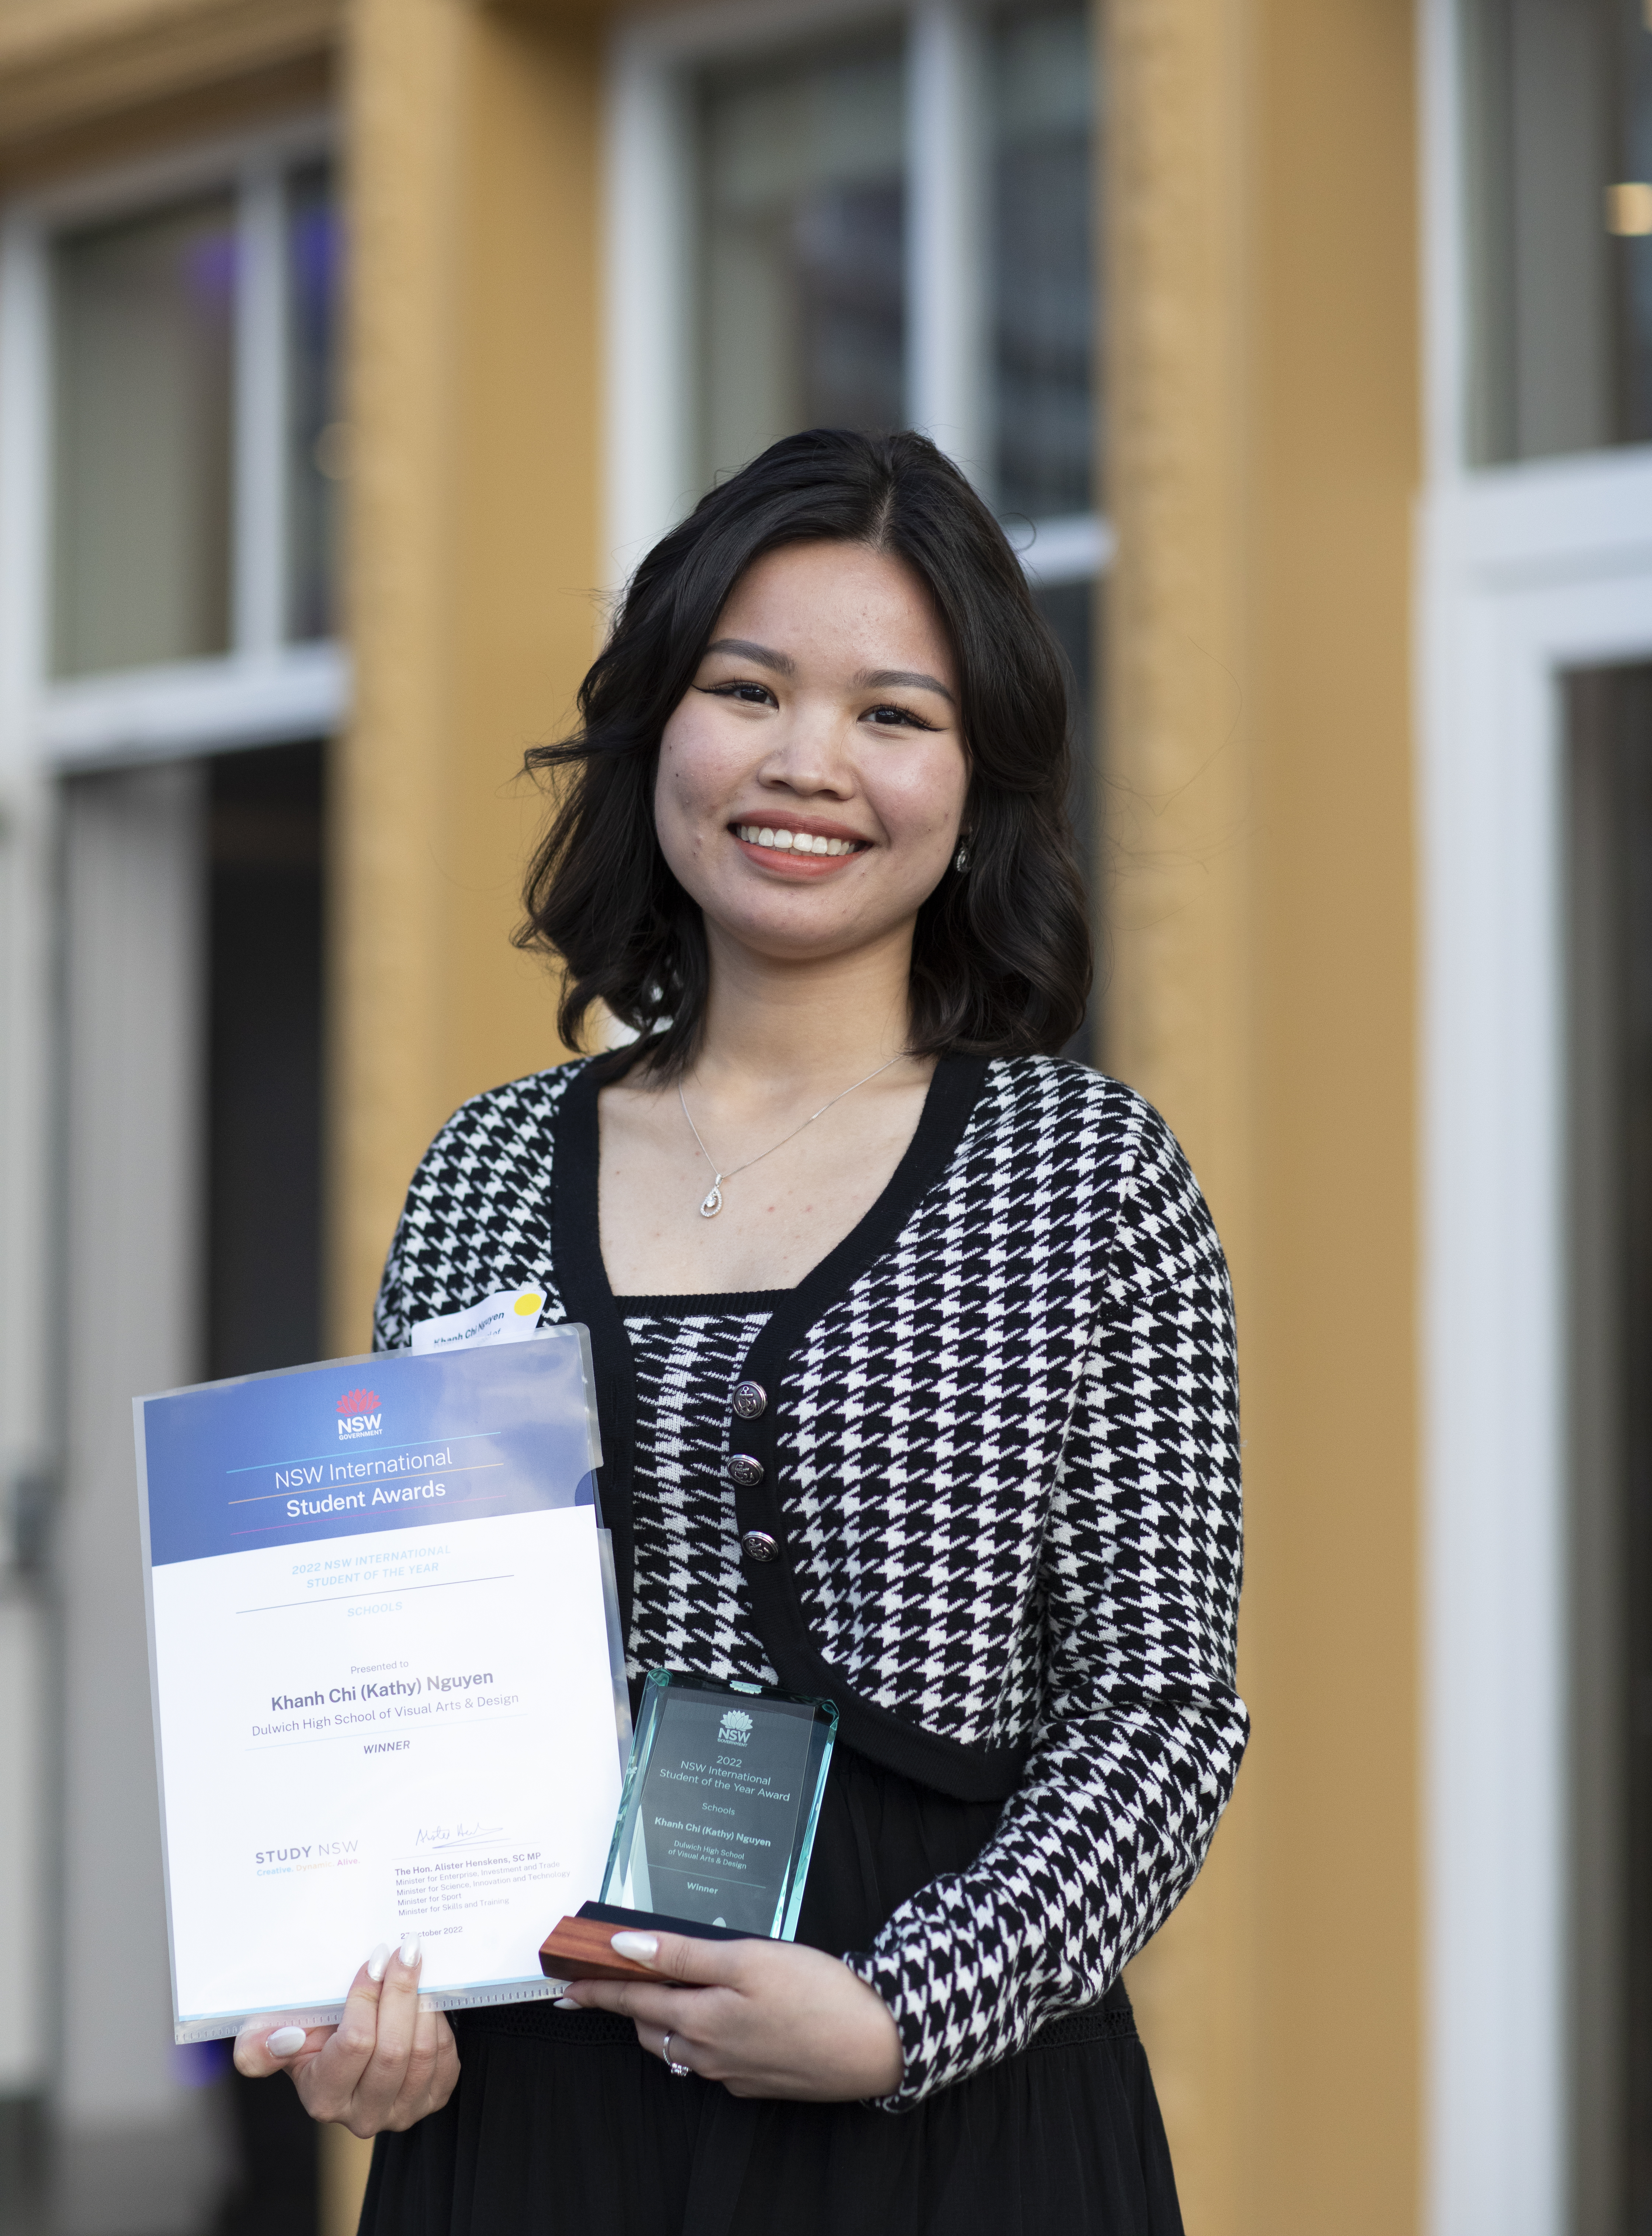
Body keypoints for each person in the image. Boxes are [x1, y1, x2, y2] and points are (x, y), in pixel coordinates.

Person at [235, 427, 1248, 2233]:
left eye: (893, 714)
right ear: (656, 735)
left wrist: (903, 2013)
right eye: (748, 688)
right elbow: (385, 1663)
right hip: (540, 2111)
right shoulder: (483, 1166)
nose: (806, 764)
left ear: (977, 782)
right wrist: (353, 2005)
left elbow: (1160, 1710)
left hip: (951, 2111)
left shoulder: (1085, 1173)